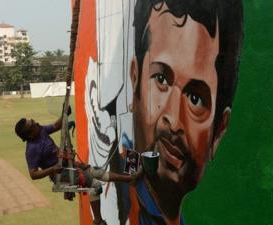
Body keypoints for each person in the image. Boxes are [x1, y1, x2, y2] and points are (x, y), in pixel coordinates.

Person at [130, 0, 243, 224]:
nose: (173, 120)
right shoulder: (124, 200)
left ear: (218, 131)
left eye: (195, 99)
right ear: (135, 82)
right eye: (161, 79)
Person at [14, 109, 138, 225]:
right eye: (33, 125)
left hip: (67, 165)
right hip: (59, 174)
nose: (36, 123)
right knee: (96, 185)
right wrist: (52, 169)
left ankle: (129, 179)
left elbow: (56, 126)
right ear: (29, 135)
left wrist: (64, 114)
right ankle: (98, 221)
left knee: (97, 172)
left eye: (33, 120)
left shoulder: (40, 131)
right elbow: (33, 174)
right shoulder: (32, 150)